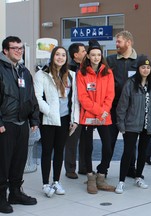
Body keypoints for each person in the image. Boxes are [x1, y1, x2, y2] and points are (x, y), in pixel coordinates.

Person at [0, 36, 39, 214]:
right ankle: (1, 197)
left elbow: (31, 97)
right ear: (5, 51)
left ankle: (15, 193)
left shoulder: (24, 71)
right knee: (3, 163)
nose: (18, 51)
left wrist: (34, 119)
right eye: (14, 48)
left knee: (18, 161)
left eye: (20, 48)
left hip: (22, 123)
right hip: (5, 124)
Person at [34, 46, 80, 198]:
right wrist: (50, 112)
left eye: (63, 55)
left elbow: (74, 100)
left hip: (65, 119)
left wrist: (75, 119)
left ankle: (56, 181)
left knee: (60, 151)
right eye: (57, 55)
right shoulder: (42, 74)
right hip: (48, 119)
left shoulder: (71, 75)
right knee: (47, 151)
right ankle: (45, 184)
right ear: (52, 56)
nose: (60, 58)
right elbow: (37, 98)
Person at [77, 39, 115, 194]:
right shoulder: (82, 73)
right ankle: (90, 177)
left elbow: (110, 94)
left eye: (98, 55)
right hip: (89, 116)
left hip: (104, 116)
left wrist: (104, 111)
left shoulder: (108, 72)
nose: (96, 57)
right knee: (88, 147)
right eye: (93, 55)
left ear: (102, 55)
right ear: (88, 56)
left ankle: (101, 175)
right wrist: (99, 111)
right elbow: (83, 97)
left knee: (108, 147)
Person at [115, 55, 151, 194]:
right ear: (138, 69)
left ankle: (138, 177)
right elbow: (122, 106)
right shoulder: (130, 83)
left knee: (143, 152)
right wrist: (121, 124)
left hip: (148, 125)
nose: (146, 70)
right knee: (128, 152)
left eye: (148, 67)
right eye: (143, 67)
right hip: (132, 124)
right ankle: (121, 181)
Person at [106, 30, 140, 178]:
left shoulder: (140, 61)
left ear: (129, 42)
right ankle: (103, 170)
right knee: (109, 141)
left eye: (119, 41)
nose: (116, 44)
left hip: (131, 110)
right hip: (113, 108)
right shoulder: (110, 60)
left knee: (130, 143)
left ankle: (130, 170)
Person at [64, 43, 87, 179]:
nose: (86, 53)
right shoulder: (68, 69)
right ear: (75, 55)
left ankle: (84, 167)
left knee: (86, 140)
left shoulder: (87, 68)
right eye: (83, 51)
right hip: (73, 109)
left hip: (86, 109)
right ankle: (70, 169)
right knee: (72, 140)